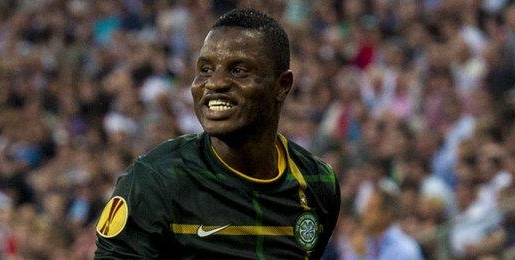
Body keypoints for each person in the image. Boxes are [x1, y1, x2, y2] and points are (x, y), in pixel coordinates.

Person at [94, 9, 340, 259]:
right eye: (205, 69)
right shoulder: (154, 181)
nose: (214, 83)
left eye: (238, 71)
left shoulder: (318, 183)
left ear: (282, 86)